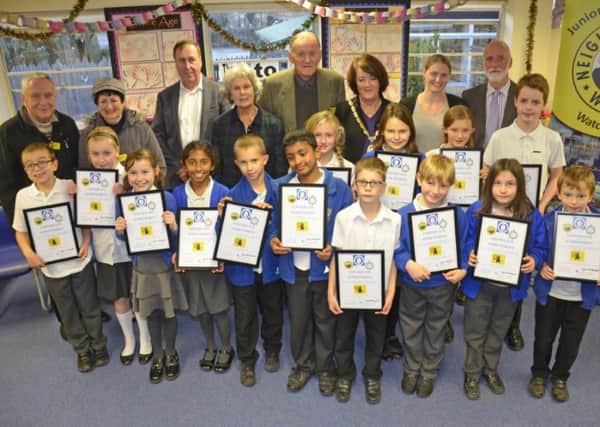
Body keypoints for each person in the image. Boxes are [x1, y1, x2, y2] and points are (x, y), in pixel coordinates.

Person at [483, 73, 565, 351]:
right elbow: (486, 173)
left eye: (536, 102)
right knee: (497, 264)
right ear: (515, 102)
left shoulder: (552, 139)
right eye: (525, 101)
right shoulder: (500, 137)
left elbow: (556, 176)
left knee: (522, 268)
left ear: (543, 104)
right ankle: (491, 320)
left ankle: (513, 326)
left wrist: (541, 206)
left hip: (530, 215)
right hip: (500, 213)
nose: (529, 107)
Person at [270, 130, 353, 395]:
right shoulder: (280, 186)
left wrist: (334, 248)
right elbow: (273, 224)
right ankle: (303, 365)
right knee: (298, 320)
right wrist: (274, 240)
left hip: (323, 270)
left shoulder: (338, 188)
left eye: (303, 153)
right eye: (291, 157)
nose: (298, 161)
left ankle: (325, 367)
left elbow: (347, 227)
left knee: (326, 321)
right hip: (294, 268)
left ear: (317, 151)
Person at [13, 142, 107, 373]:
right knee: (67, 312)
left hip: (79, 261)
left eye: (42, 162)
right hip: (51, 269)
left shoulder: (71, 187)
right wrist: (28, 254)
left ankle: (99, 345)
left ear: (54, 164)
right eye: (30, 165)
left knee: (90, 307)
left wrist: (86, 242)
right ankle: (82, 350)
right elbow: (21, 231)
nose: (37, 169)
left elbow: (85, 218)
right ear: (25, 171)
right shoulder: (23, 197)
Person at [461, 158, 547, 400]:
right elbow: (466, 239)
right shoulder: (478, 209)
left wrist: (535, 261)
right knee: (475, 331)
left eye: (510, 183)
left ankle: (490, 369)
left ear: (520, 186)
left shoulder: (530, 214)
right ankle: (471, 372)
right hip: (480, 286)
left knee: (498, 331)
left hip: (511, 288)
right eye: (497, 183)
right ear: (489, 185)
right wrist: (470, 253)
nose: (503, 188)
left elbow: (540, 246)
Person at [327, 157, 400, 404]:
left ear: (384, 187)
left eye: (374, 182)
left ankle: (372, 374)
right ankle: (345, 374)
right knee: (343, 336)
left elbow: (393, 262)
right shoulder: (343, 217)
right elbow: (336, 256)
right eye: (363, 182)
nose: (368, 187)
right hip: (347, 292)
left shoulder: (395, 220)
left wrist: (390, 293)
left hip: (378, 292)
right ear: (354, 185)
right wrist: (331, 291)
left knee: (376, 337)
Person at [394, 154, 468, 398]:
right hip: (412, 283)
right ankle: (412, 367)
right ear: (418, 179)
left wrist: (463, 268)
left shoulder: (457, 215)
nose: (436, 191)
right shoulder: (404, 214)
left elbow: (466, 245)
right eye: (430, 183)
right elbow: (396, 248)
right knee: (411, 325)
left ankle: (429, 371)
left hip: (442, 285)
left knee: (436, 327)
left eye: (443, 185)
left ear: (451, 186)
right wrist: (408, 264)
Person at [115, 149, 188, 384]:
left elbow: (176, 238)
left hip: (163, 265)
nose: (140, 177)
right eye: (133, 172)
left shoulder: (167, 198)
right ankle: (157, 354)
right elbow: (125, 240)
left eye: (145, 171)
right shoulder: (124, 202)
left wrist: (174, 225)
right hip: (142, 268)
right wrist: (121, 230)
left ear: (156, 171)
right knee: (151, 313)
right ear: (127, 175)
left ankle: (171, 352)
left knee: (169, 312)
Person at [529, 165, 600, 402]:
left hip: (582, 296)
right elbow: (537, 249)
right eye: (568, 194)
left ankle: (560, 377)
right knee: (543, 337)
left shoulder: (597, 225)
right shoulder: (548, 221)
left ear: (591, 195)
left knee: (571, 341)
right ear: (559, 194)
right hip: (551, 292)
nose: (574, 201)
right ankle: (539, 373)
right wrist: (542, 266)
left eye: (581, 196)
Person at [219, 135, 283, 387]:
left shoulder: (279, 190)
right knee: (244, 316)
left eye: (255, 160)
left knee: (272, 311)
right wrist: (223, 218)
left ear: (265, 159)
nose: (250, 167)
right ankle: (247, 359)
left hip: (270, 266)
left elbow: (285, 226)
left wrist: (273, 232)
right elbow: (222, 237)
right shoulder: (232, 196)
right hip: (241, 269)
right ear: (236, 164)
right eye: (244, 162)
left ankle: (273, 349)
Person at [85, 127, 152, 365]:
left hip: (132, 249)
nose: (101, 159)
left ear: (117, 151)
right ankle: (129, 339)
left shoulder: (130, 176)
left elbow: (148, 200)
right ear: (89, 155)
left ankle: (145, 338)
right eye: (95, 154)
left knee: (137, 296)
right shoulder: (86, 183)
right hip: (106, 252)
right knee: (118, 298)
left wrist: (125, 191)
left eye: (106, 153)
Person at [362, 102, 420, 358]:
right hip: (376, 225)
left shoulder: (420, 161)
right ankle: (379, 335)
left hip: (406, 229)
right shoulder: (370, 158)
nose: (397, 138)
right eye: (391, 131)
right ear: (382, 132)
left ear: (411, 133)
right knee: (378, 279)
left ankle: (391, 333)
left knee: (399, 284)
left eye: (403, 132)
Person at [172, 141, 233, 374]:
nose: (198, 167)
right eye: (192, 162)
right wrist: (178, 253)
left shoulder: (223, 192)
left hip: (214, 264)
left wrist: (223, 257)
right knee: (200, 310)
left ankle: (226, 347)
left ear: (213, 165)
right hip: (191, 264)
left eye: (204, 161)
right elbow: (175, 230)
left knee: (218, 309)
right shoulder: (177, 194)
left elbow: (229, 231)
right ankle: (210, 346)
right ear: (184, 165)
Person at [0, 72, 78, 223]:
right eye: (35, 96)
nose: (43, 102)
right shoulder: (7, 133)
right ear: (24, 99)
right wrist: (23, 224)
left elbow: (77, 166)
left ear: (55, 98)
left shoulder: (68, 125)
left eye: (48, 95)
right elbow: (5, 185)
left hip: (70, 212)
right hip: (36, 218)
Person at [152, 40, 230, 189]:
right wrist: (181, 167)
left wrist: (205, 165)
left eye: (191, 60)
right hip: (177, 178)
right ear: (175, 64)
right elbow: (158, 136)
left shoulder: (218, 93)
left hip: (212, 178)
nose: (187, 66)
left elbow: (226, 136)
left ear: (200, 61)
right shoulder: (165, 97)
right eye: (182, 61)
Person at [208, 64, 286, 188]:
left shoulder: (273, 124)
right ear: (230, 94)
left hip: (267, 195)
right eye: (236, 88)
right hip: (232, 194)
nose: (242, 92)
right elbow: (217, 168)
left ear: (254, 90)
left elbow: (279, 167)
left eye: (246, 87)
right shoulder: (220, 125)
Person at [259, 31, 345, 134]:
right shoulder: (272, 85)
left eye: (312, 54)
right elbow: (265, 128)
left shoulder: (335, 82)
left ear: (320, 55)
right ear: (291, 57)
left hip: (324, 148)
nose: (307, 60)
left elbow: (340, 124)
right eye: (301, 54)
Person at [78, 77, 166, 172]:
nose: (109, 106)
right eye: (103, 101)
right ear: (97, 104)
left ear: (123, 102)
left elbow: (159, 166)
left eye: (113, 100)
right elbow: (84, 171)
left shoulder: (141, 129)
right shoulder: (88, 133)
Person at [400, 54, 468, 153]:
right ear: (424, 72)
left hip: (447, 166)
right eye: (434, 74)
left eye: (443, 75)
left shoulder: (458, 105)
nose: (438, 79)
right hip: (414, 166)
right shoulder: (406, 105)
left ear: (449, 76)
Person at [334, 54, 391, 163]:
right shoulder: (341, 111)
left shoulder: (393, 111)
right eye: (361, 80)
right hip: (351, 176)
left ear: (380, 81)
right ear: (355, 83)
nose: (367, 84)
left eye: (373, 79)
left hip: (385, 176)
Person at [462, 40, 517, 150]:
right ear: (484, 63)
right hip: (476, 161)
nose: (494, 64)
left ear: (510, 62)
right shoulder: (469, 97)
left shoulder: (521, 95)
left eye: (500, 58)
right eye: (489, 59)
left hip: (510, 162)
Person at [305, 110, 354, 176]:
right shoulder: (300, 167)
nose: (323, 141)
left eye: (329, 135)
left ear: (337, 137)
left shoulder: (349, 167)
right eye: (318, 135)